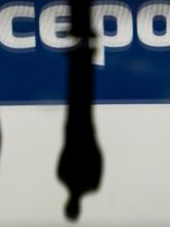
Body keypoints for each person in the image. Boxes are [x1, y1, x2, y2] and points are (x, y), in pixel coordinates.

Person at [57, 45, 102, 221]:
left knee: (83, 97)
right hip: (76, 134)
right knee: (77, 96)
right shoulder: (63, 177)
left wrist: (92, 142)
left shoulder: (92, 184)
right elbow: (64, 152)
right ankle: (79, 58)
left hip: (83, 135)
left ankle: (84, 58)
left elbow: (98, 159)